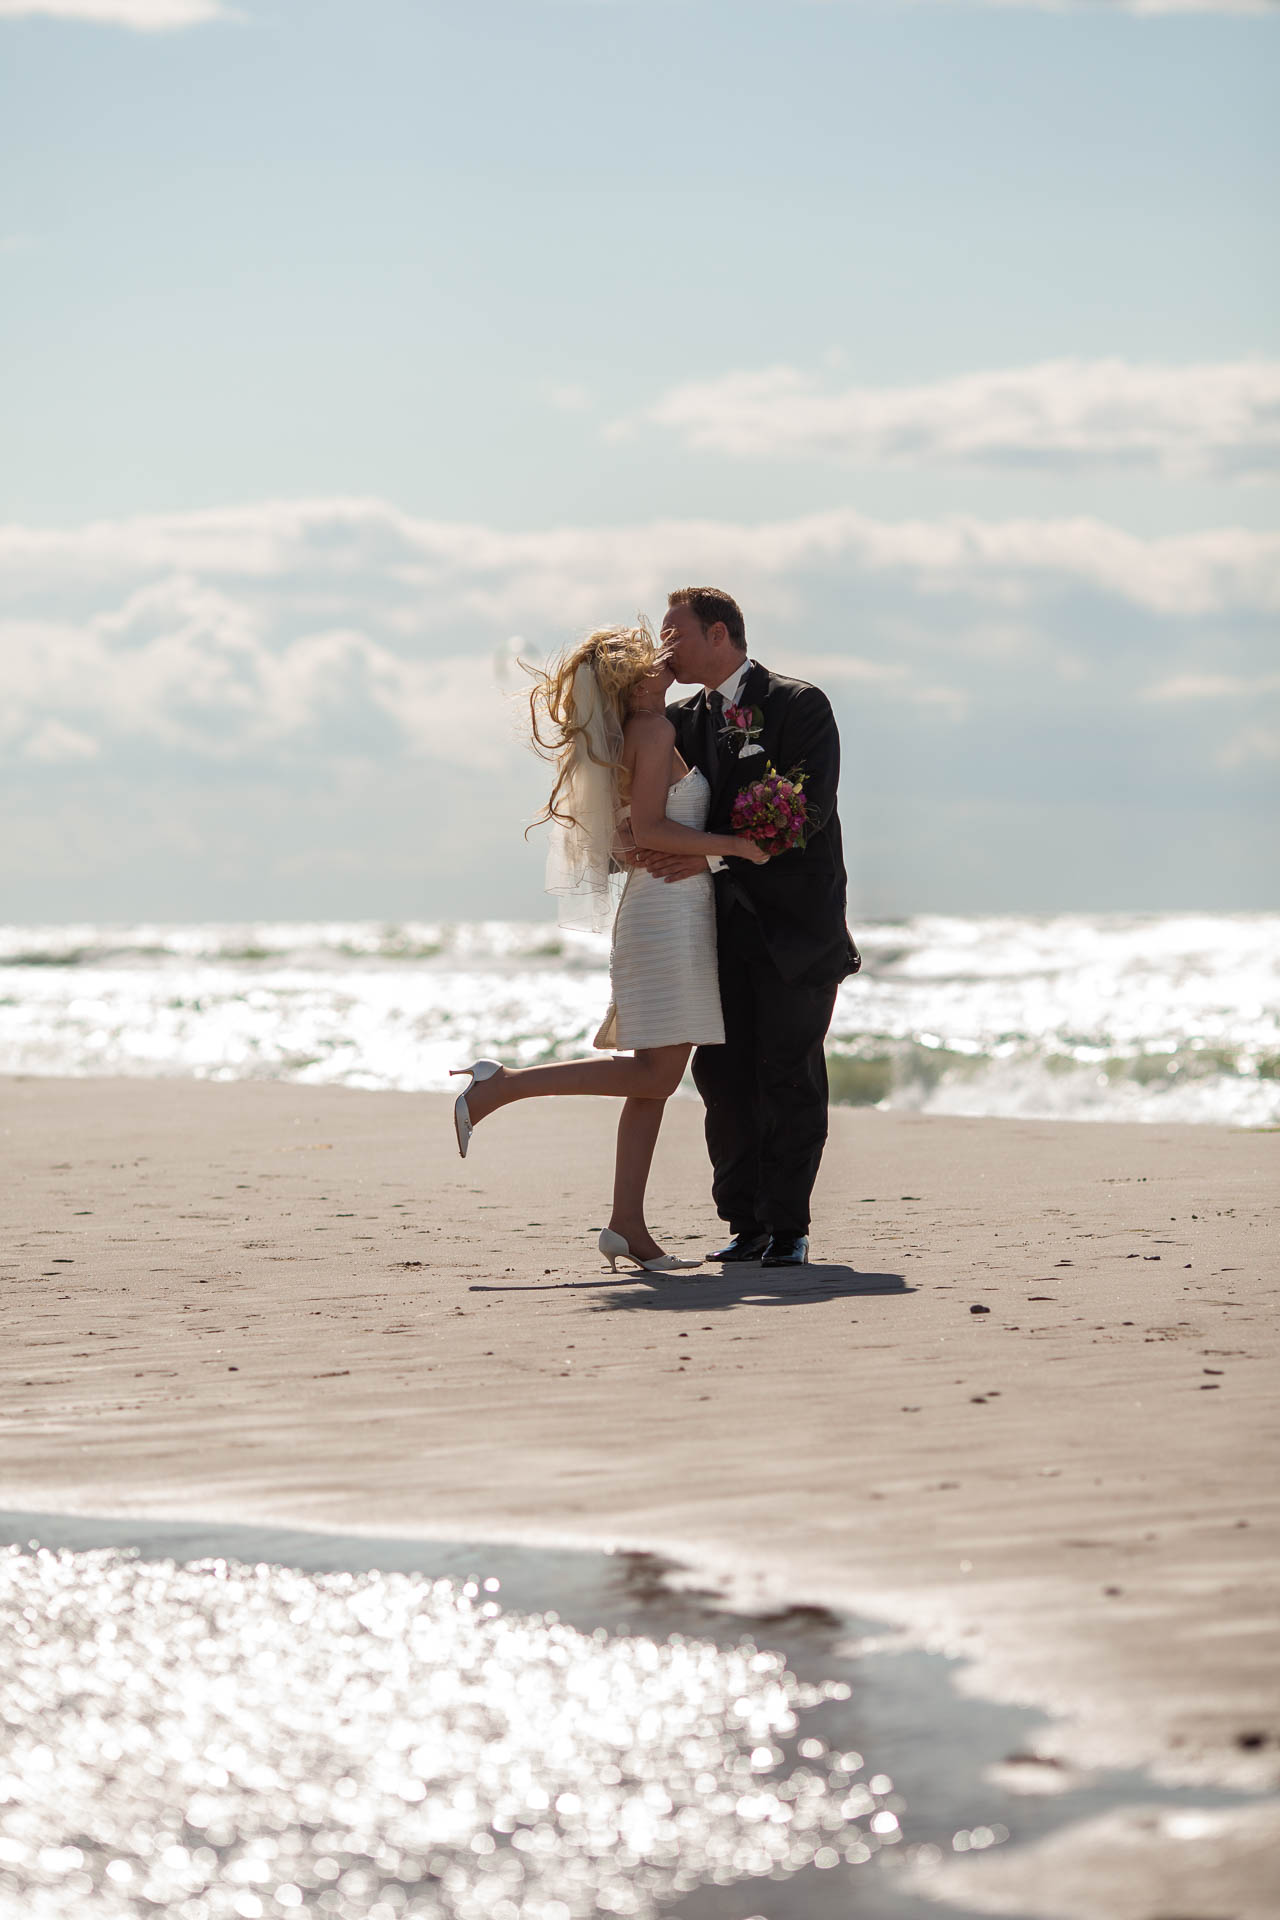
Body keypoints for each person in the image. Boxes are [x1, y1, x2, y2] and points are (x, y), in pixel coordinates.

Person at [449, 622, 769, 1273]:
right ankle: (499, 1088)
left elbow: (631, 838)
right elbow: (650, 827)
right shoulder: (652, 732)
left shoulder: (636, 735)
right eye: (653, 659)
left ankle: (627, 1225)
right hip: (666, 916)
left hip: (664, 909)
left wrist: (670, 847)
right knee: (655, 1074)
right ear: (630, 680)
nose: (665, 661)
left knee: (651, 1082)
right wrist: (734, 847)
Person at [633, 587, 861, 1269]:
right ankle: (745, 1220)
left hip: (795, 928)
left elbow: (805, 812)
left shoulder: (799, 704)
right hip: (710, 931)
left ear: (720, 634)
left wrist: (700, 849)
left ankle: (789, 1226)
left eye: (674, 635)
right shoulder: (674, 721)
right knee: (723, 1076)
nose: (662, 650)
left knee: (788, 1074)